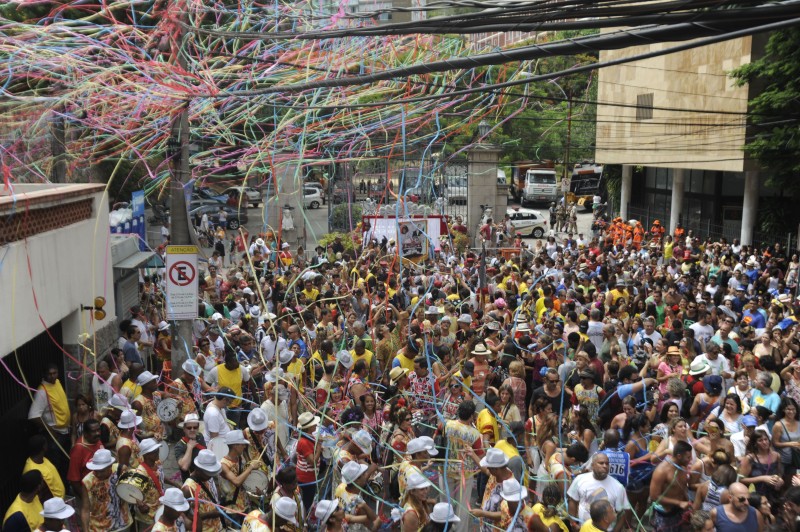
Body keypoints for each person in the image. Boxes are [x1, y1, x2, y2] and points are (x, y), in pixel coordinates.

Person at [567, 453, 631, 531]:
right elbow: (573, 501)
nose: (605, 466)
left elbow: (622, 513)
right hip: (584, 528)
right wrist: (573, 524)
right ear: (593, 465)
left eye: (607, 463)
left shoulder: (618, 487)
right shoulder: (580, 480)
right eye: (601, 463)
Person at [27, 364, 71, 475]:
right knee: (57, 464)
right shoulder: (42, 392)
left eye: (54, 373)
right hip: (55, 436)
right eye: (49, 374)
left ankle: (67, 485)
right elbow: (33, 416)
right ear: (44, 375)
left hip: (65, 431)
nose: (52, 376)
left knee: (66, 462)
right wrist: (50, 431)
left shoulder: (57, 383)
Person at [80, 448, 132, 532]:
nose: (99, 474)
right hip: (99, 528)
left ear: (110, 466)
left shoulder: (120, 470)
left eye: (102, 471)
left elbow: (132, 489)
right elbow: (85, 509)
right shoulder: (87, 482)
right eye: (96, 471)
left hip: (122, 523)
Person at [649, 440, 694, 531]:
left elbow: (683, 487)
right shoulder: (661, 471)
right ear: (679, 456)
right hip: (665, 513)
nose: (691, 460)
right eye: (688, 457)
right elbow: (654, 496)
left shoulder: (683, 466)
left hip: (680, 511)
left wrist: (687, 504)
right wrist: (679, 503)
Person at [181, 449, 223, 532]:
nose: (210, 476)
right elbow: (184, 517)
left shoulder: (207, 477)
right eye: (208, 473)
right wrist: (209, 514)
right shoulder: (188, 489)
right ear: (198, 469)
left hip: (217, 527)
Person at [66, 419, 104, 496]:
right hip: (89, 492)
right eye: (93, 431)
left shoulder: (96, 440)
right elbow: (74, 480)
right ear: (85, 433)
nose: (97, 433)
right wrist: (86, 499)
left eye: (98, 430)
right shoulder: (78, 450)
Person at [22, 435, 64, 501]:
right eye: (46, 443)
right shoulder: (32, 471)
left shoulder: (43, 459)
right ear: (44, 447)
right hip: (53, 506)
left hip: (59, 502)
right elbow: (40, 495)